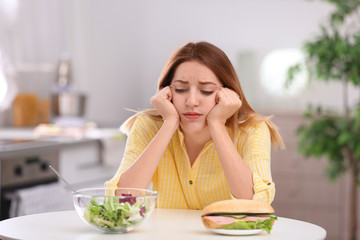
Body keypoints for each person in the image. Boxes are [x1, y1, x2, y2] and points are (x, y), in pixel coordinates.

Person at [105, 41, 284, 209]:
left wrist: (217, 124)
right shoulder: (148, 125)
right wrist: (169, 123)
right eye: (181, 89)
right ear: (166, 92)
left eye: (206, 91)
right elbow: (122, 200)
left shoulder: (252, 130)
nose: (191, 101)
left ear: (229, 94)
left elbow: (254, 202)